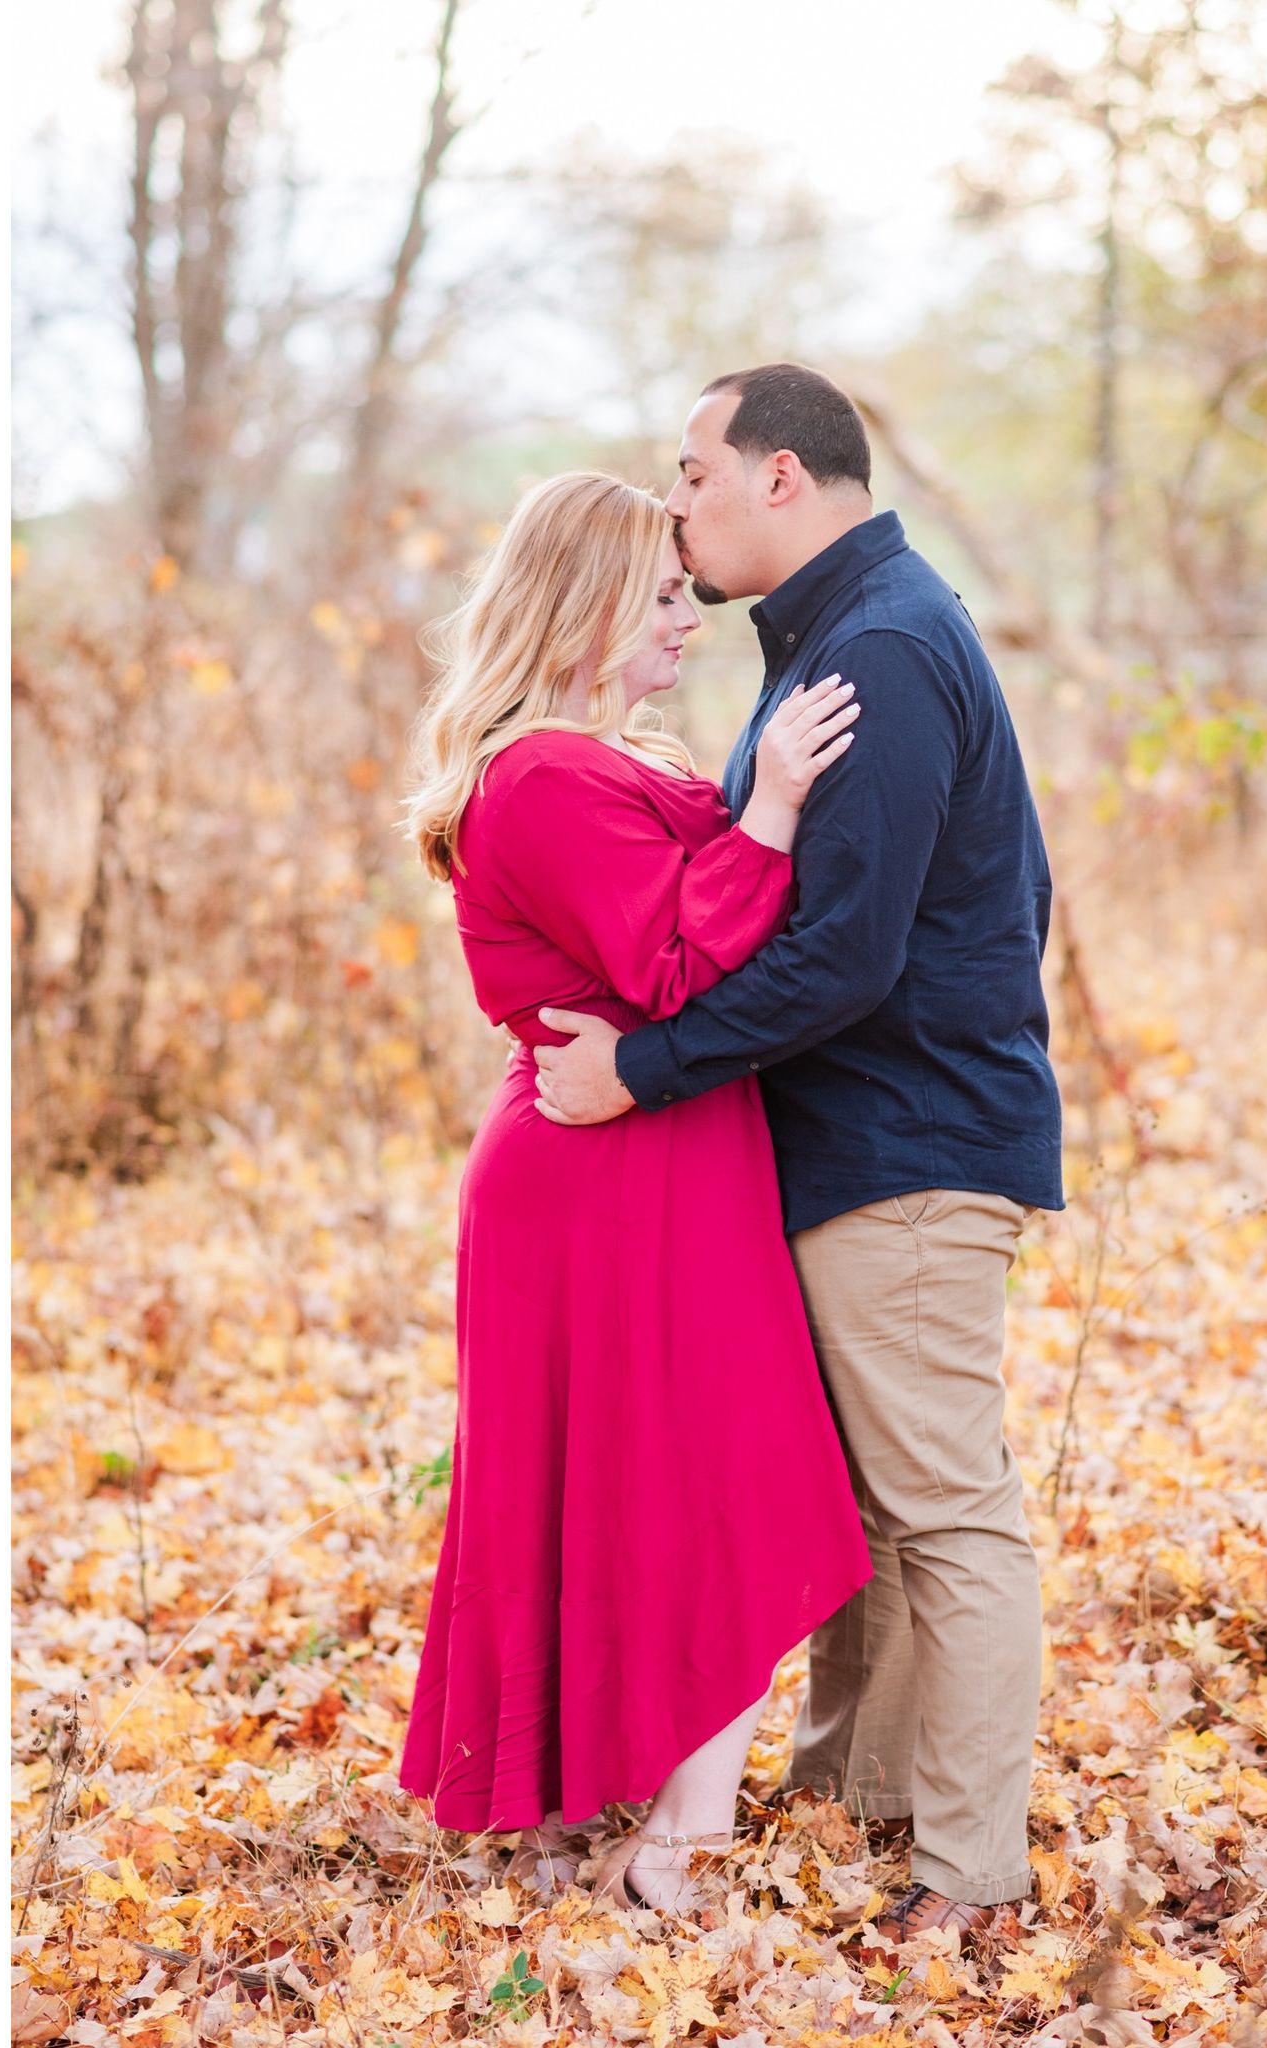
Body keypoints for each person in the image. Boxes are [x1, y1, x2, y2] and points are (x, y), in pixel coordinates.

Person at [532, 365, 1066, 1945]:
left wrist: (640, 1072)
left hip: (908, 1148)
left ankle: (969, 1874)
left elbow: (843, 955)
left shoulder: (880, 648)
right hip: (860, 1138)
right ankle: (856, 1799)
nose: (675, 500)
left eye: (693, 471)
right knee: (872, 1514)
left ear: (780, 476)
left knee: (945, 1511)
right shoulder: (845, 637)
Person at [395, 470, 872, 1914]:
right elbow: (673, 966)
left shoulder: (612, 755)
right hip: (599, 1167)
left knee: (683, 1476)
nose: (687, 618)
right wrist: (772, 806)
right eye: (663, 595)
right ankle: (674, 1832)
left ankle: (636, 1805)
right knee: (699, 1473)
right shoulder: (538, 774)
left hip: (662, 1144)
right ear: (589, 602)